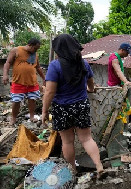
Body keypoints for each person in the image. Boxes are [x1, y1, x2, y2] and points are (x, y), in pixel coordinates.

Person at [42, 34, 103, 176]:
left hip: (61, 108)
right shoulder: (83, 63)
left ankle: (73, 171)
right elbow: (91, 85)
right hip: (81, 105)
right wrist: (90, 90)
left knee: (67, 142)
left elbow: (50, 91)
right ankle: (99, 166)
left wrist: (45, 111)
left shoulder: (54, 66)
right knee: (87, 139)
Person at [2, 38, 45, 125]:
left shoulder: (34, 54)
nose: (36, 50)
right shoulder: (16, 50)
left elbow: (38, 67)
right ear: (30, 45)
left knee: (32, 99)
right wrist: (5, 75)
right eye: (35, 48)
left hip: (32, 82)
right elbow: (7, 63)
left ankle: (32, 117)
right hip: (18, 81)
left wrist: (44, 78)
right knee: (16, 100)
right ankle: (13, 118)